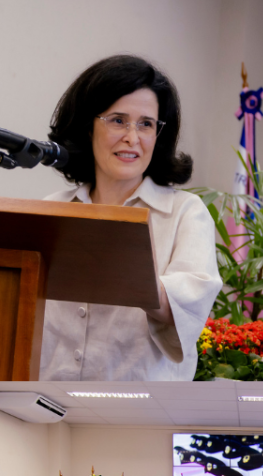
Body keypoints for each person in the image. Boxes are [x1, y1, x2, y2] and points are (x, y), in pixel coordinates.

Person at [41, 54, 221, 380]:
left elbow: (185, 310)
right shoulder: (51, 210)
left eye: (146, 124)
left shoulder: (185, 213)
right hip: (48, 398)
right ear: (87, 126)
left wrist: (127, 263)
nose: (132, 137)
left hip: (141, 403)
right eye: (118, 120)